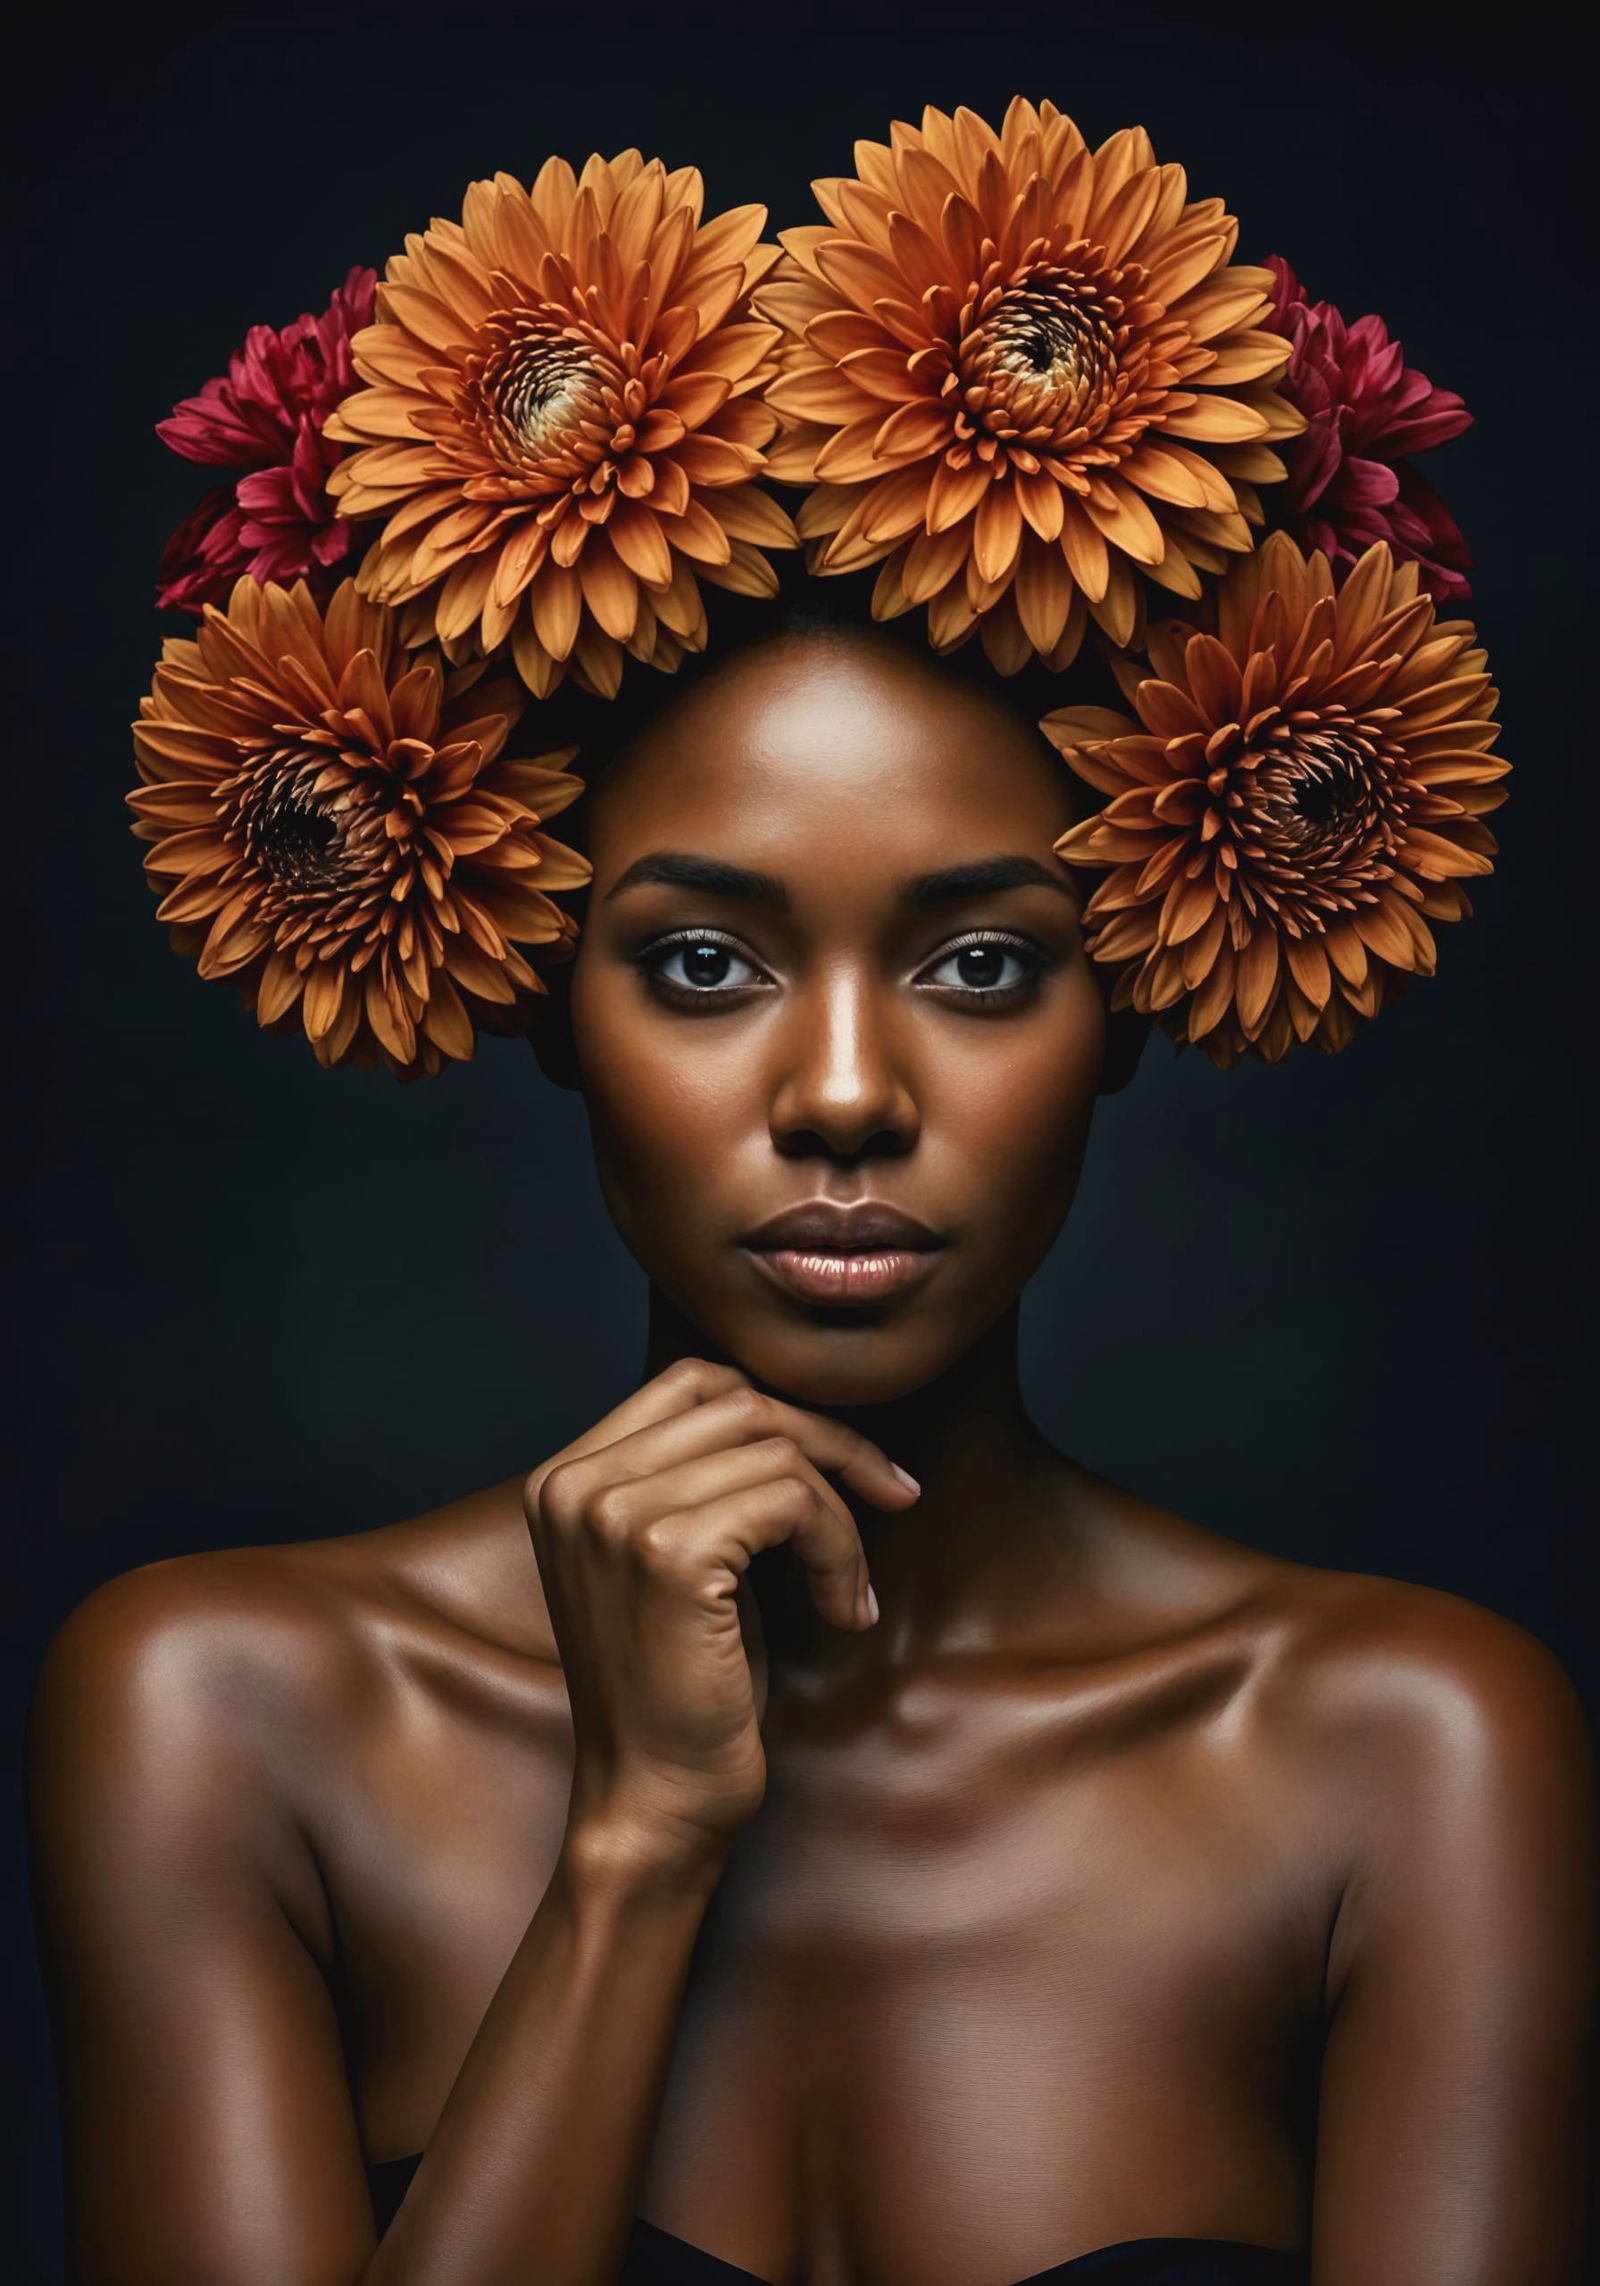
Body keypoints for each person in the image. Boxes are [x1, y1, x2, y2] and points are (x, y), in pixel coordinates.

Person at [24, 573, 1597, 2286]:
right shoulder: (225, 1717)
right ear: (547, 998)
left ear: (1133, 997)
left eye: (982, 962)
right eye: (704, 962)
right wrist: (634, 1852)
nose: (845, 1093)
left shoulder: (1407, 1757)